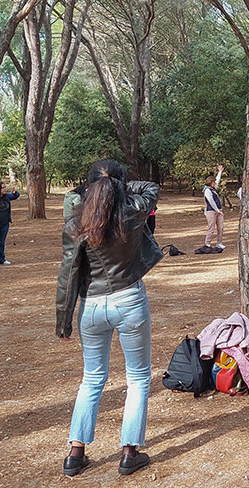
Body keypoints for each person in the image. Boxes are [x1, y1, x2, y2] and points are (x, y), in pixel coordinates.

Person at [56, 159, 161, 477]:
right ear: (120, 184)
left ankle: (76, 453)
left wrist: (63, 321)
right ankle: (129, 452)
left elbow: (67, 275)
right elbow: (151, 188)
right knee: (138, 377)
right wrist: (116, 187)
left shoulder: (76, 223)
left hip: (91, 306)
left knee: (92, 379)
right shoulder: (132, 211)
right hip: (129, 299)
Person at [203, 165, 225, 251]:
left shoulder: (213, 189)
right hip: (211, 211)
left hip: (218, 210)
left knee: (220, 227)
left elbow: (218, 181)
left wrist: (220, 172)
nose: (215, 183)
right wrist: (218, 211)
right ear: (210, 182)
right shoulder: (207, 190)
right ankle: (207, 243)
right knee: (211, 227)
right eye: (214, 182)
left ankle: (219, 243)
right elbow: (211, 202)